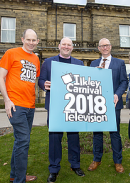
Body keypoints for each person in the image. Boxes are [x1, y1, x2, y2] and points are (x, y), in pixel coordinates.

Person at [38, 37, 85, 183]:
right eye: (64, 44)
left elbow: (84, 81)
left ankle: (75, 165)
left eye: (69, 45)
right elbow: (41, 80)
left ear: (72, 47)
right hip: (55, 106)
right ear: (59, 46)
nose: (66, 46)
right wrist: (43, 84)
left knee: (74, 137)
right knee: (54, 139)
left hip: (73, 106)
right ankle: (53, 169)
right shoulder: (48, 62)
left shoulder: (79, 63)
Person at [0, 29, 40, 183]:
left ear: (37, 42)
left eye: (34, 40)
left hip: (30, 106)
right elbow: (0, 77)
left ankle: (15, 175)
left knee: (20, 141)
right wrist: (7, 100)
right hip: (16, 105)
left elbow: (32, 81)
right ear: (22, 39)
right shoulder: (11, 53)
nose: (31, 43)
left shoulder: (35, 59)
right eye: (28, 39)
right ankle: (19, 180)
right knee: (23, 141)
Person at [88, 38, 128, 173]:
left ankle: (118, 162)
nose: (104, 48)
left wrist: (117, 94)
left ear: (110, 47)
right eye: (102, 46)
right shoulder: (93, 63)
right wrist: (94, 73)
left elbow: (124, 82)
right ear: (98, 48)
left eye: (106, 45)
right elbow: (89, 81)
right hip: (96, 104)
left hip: (113, 103)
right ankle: (96, 159)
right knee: (97, 133)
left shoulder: (120, 63)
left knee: (115, 133)